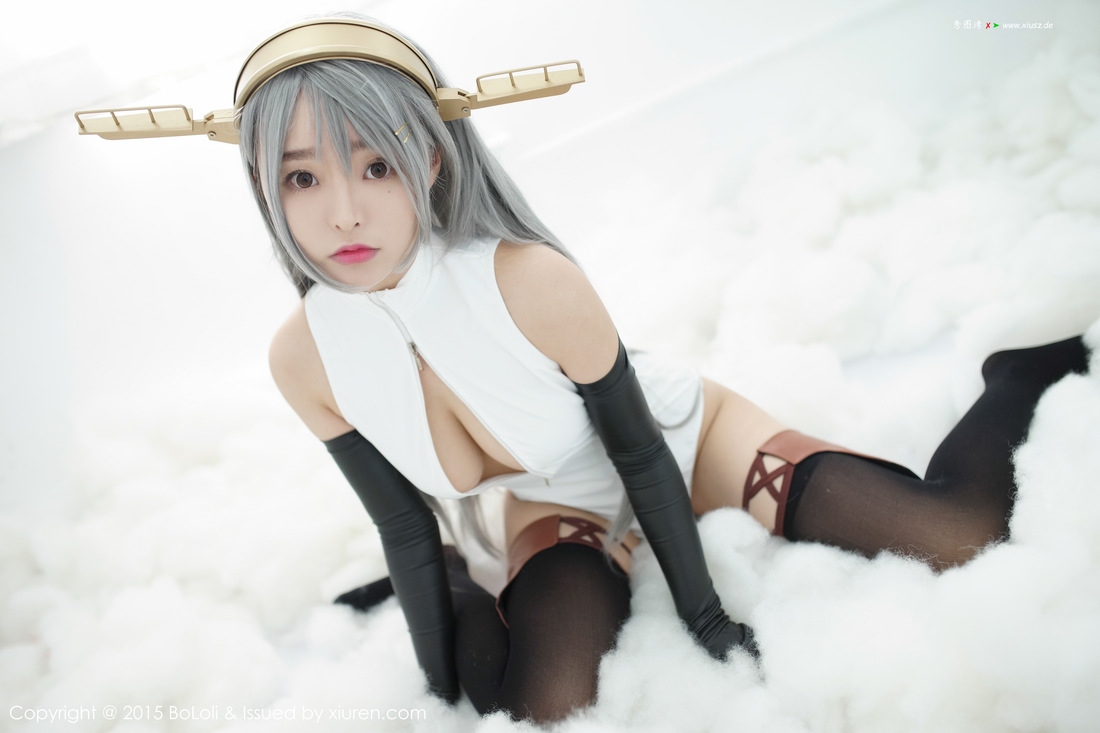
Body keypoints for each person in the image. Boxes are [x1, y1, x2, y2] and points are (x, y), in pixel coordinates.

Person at [75, 15, 1091, 725]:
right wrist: (436, 680)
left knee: (958, 536)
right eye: (302, 176)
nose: (342, 210)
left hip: (681, 442)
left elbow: (641, 452)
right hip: (550, 499)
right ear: (266, 188)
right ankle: (465, 591)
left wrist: (703, 614)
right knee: (539, 706)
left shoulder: (529, 279)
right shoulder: (302, 357)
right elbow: (405, 522)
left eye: (374, 163)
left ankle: (1014, 375)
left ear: (431, 159)